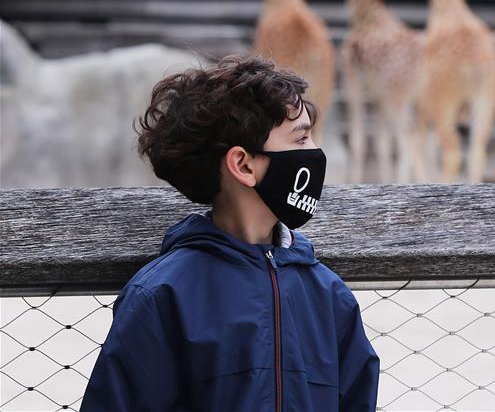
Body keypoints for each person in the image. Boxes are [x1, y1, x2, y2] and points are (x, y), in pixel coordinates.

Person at [82, 54, 379, 411]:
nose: (315, 154)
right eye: (300, 140)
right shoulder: (163, 296)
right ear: (242, 164)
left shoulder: (329, 296)